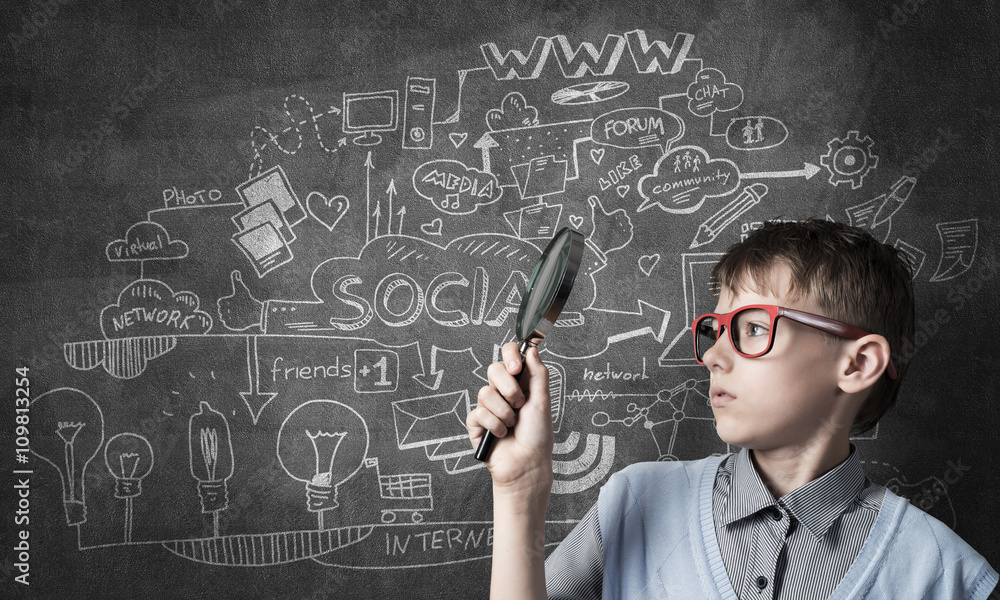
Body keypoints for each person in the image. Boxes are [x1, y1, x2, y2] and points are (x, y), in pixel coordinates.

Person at [467, 219, 999, 599]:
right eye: (715, 331)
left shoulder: (945, 576)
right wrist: (519, 492)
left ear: (857, 365)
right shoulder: (633, 502)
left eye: (752, 329)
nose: (714, 356)